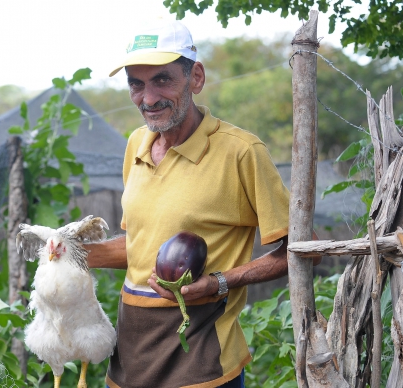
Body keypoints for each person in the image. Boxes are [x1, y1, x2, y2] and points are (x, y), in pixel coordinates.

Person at [85, 19, 319, 388]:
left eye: (162, 80)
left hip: (203, 362)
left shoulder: (241, 151)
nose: (148, 99)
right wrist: (73, 254)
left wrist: (220, 282)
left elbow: (304, 249)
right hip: (131, 359)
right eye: (136, 84)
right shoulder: (136, 145)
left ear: (195, 77)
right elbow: (141, 246)